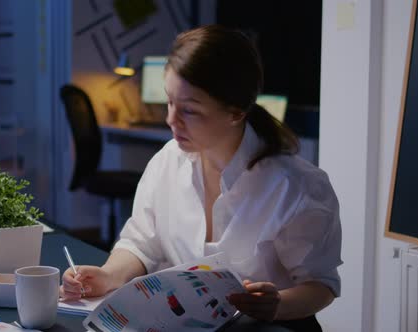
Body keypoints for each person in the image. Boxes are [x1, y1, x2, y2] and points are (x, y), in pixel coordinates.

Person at [61, 24, 342, 331]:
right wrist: (109, 274)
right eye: (169, 102)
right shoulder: (168, 160)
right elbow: (141, 244)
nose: (171, 120)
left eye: (189, 110)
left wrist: (277, 305)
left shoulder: (296, 187)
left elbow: (320, 286)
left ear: (235, 113)